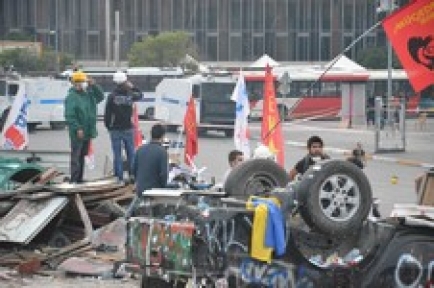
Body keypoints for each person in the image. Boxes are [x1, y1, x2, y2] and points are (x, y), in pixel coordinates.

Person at [64, 70, 104, 183]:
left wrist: (94, 85)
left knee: (82, 155)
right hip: (78, 132)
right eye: (83, 82)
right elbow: (70, 115)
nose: (85, 84)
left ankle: (79, 179)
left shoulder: (88, 95)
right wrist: (77, 128)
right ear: (76, 83)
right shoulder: (72, 97)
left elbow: (100, 97)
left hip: (87, 131)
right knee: (76, 157)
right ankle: (74, 179)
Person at [104, 71, 143, 183]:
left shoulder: (112, 96)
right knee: (131, 153)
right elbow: (140, 95)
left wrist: (108, 126)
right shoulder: (130, 95)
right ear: (125, 81)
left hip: (115, 129)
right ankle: (132, 175)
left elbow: (107, 113)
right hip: (127, 128)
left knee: (117, 155)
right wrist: (133, 87)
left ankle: (119, 178)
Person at [132, 123, 168, 197]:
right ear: (162, 136)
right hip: (154, 191)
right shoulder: (162, 152)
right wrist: (164, 187)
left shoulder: (140, 149)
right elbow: (164, 174)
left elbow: (133, 169)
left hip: (140, 189)